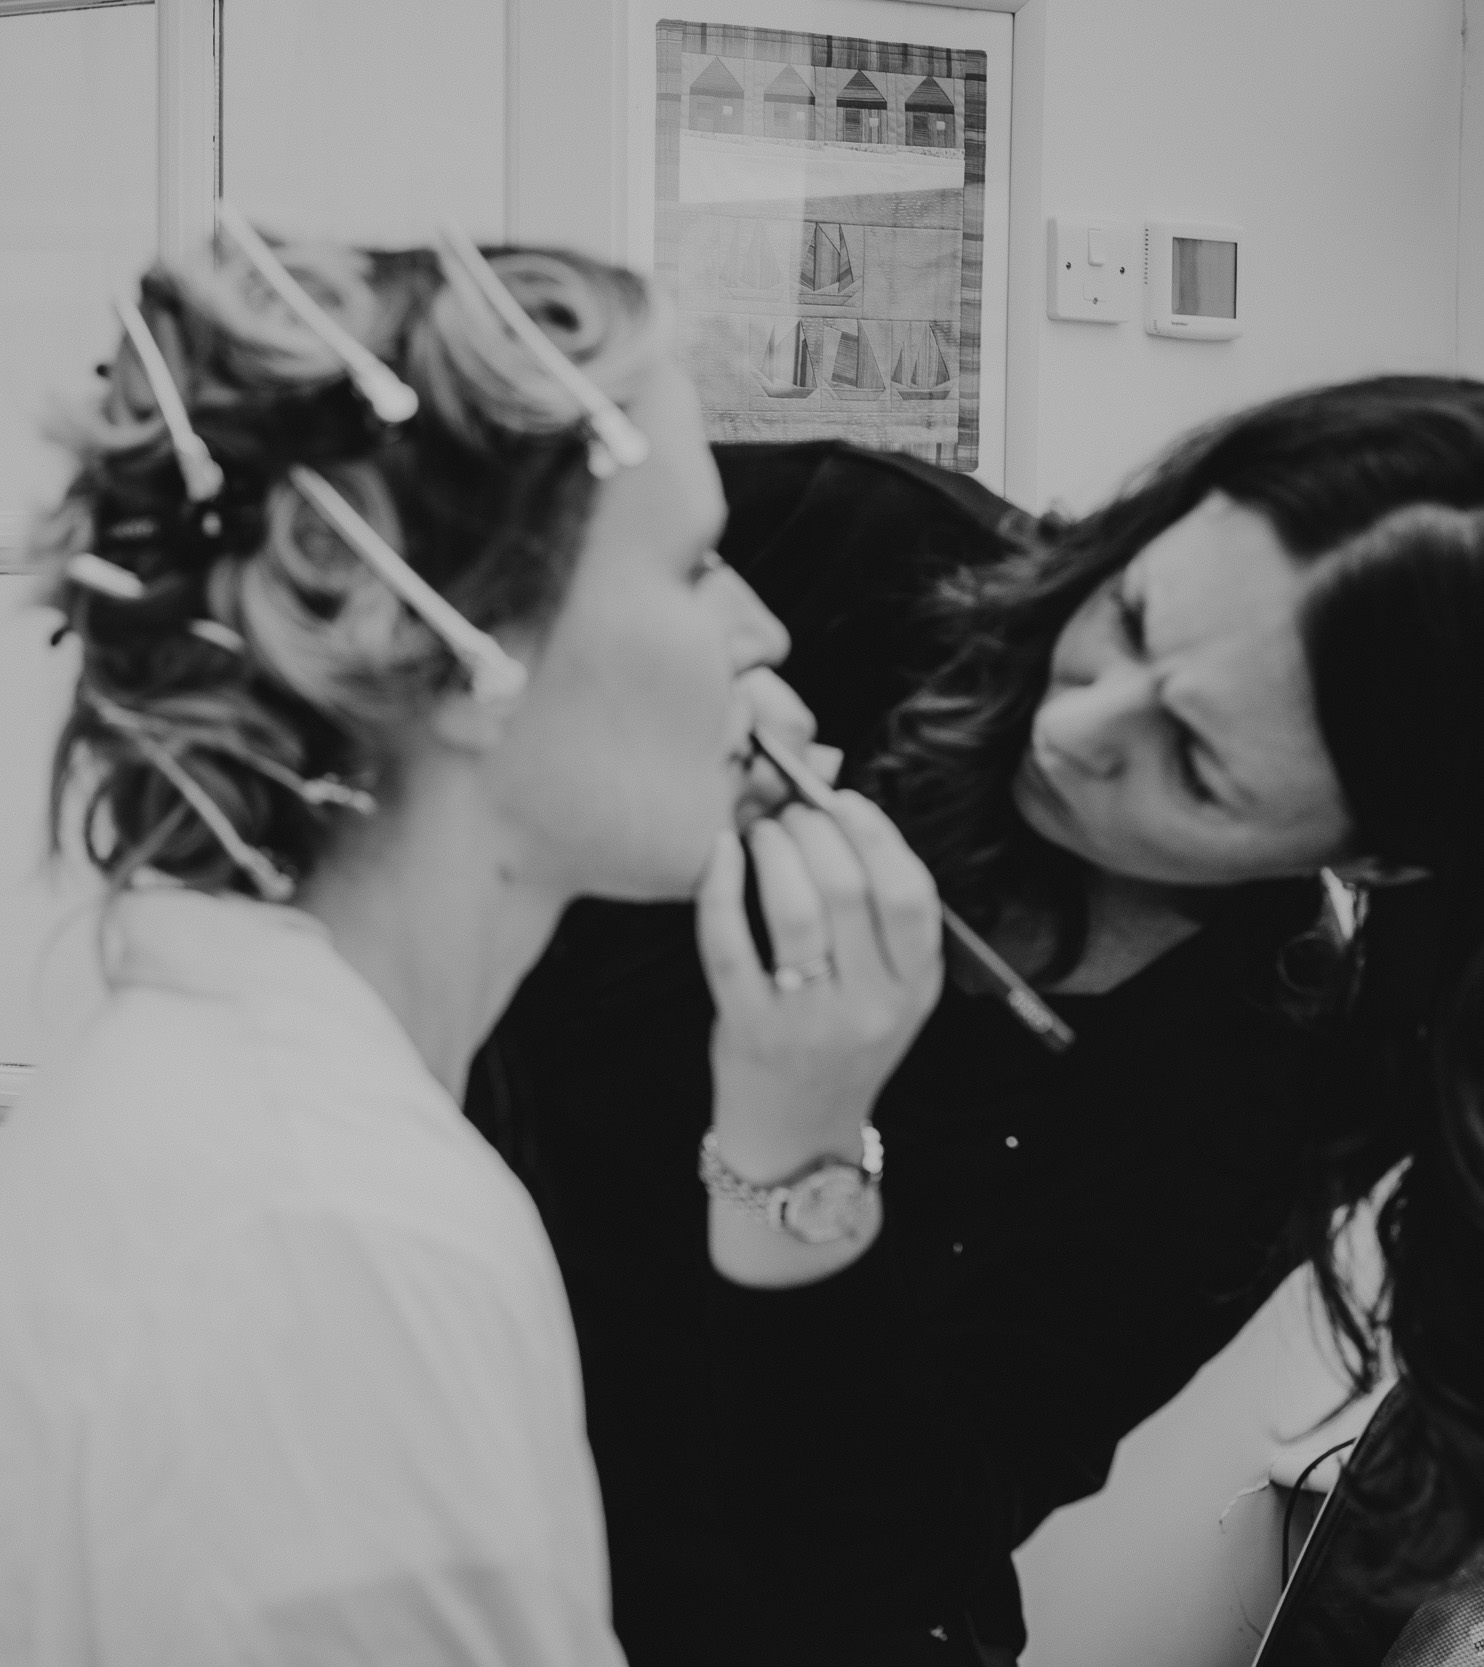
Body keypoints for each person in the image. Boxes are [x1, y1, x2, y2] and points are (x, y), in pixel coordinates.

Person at [0, 231, 942, 1663]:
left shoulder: (272, 1102)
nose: (766, 624)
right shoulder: (334, 1239)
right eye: (695, 562)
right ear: (451, 645)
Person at [467, 381, 1484, 1662]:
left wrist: (803, 1144)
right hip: (415, 1443)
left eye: (1198, 766)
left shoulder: (1250, 1093)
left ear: (1380, 857)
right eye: (1128, 618)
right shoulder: (854, 549)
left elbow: (884, 1556)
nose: (1075, 728)